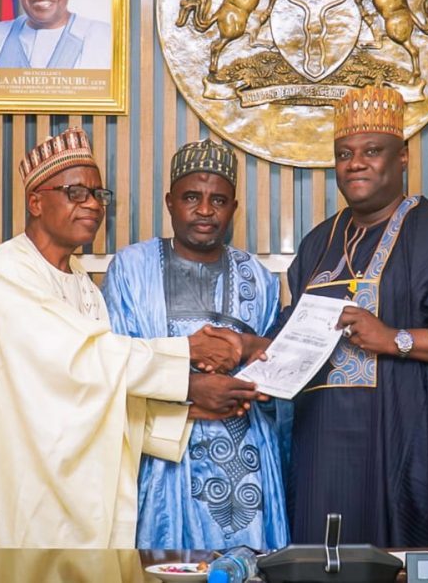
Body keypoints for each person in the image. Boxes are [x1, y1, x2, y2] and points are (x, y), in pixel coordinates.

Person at [0, 126, 260, 548]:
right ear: (35, 202)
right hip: (24, 481)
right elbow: (83, 360)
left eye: (98, 194)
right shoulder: (6, 270)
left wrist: (184, 414)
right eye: (75, 193)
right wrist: (187, 356)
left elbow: (98, 389)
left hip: (75, 487)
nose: (93, 204)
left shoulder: (82, 283)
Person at [269, 86, 428, 548]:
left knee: (401, 561)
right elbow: (297, 327)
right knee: (321, 560)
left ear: (403, 157)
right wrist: (255, 350)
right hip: (322, 450)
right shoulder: (318, 242)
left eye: (372, 151)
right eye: (344, 154)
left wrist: (395, 338)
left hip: (408, 445)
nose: (355, 163)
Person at [102, 140, 291, 551]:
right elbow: (113, 366)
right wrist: (191, 390)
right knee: (163, 567)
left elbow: (279, 376)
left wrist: (251, 379)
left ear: (233, 208)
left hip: (249, 461)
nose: (205, 210)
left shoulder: (259, 278)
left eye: (218, 200)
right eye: (191, 197)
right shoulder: (131, 268)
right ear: (170, 202)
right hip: (163, 459)